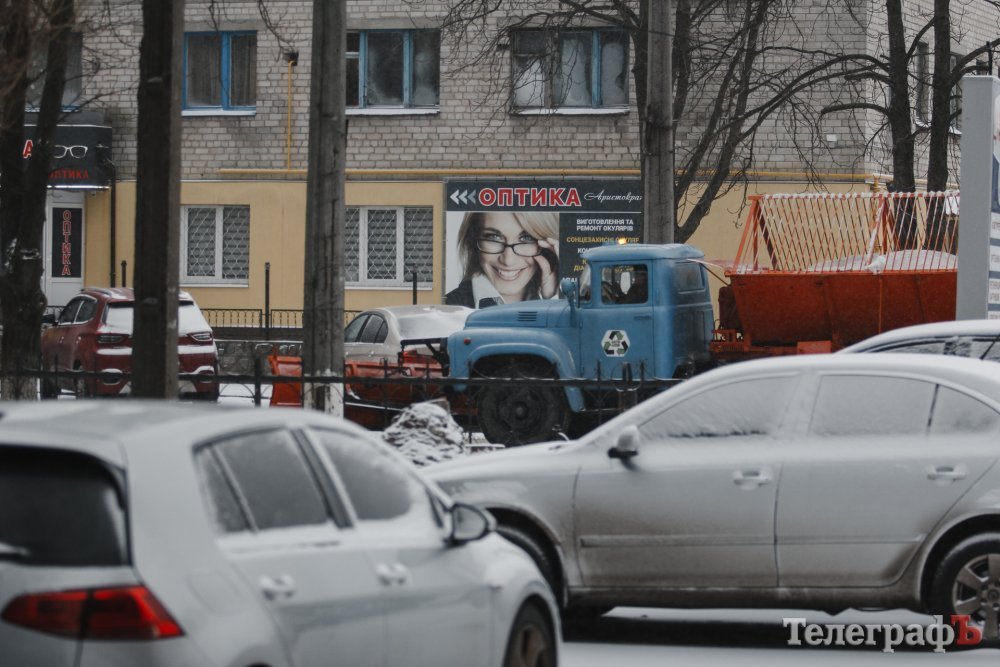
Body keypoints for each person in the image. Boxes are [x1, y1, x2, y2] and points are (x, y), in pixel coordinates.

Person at [446, 211, 560, 308]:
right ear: (473, 241)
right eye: (494, 237)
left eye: (526, 238)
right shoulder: (445, 310)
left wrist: (555, 299)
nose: (508, 261)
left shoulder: (553, 302)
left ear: (548, 247)